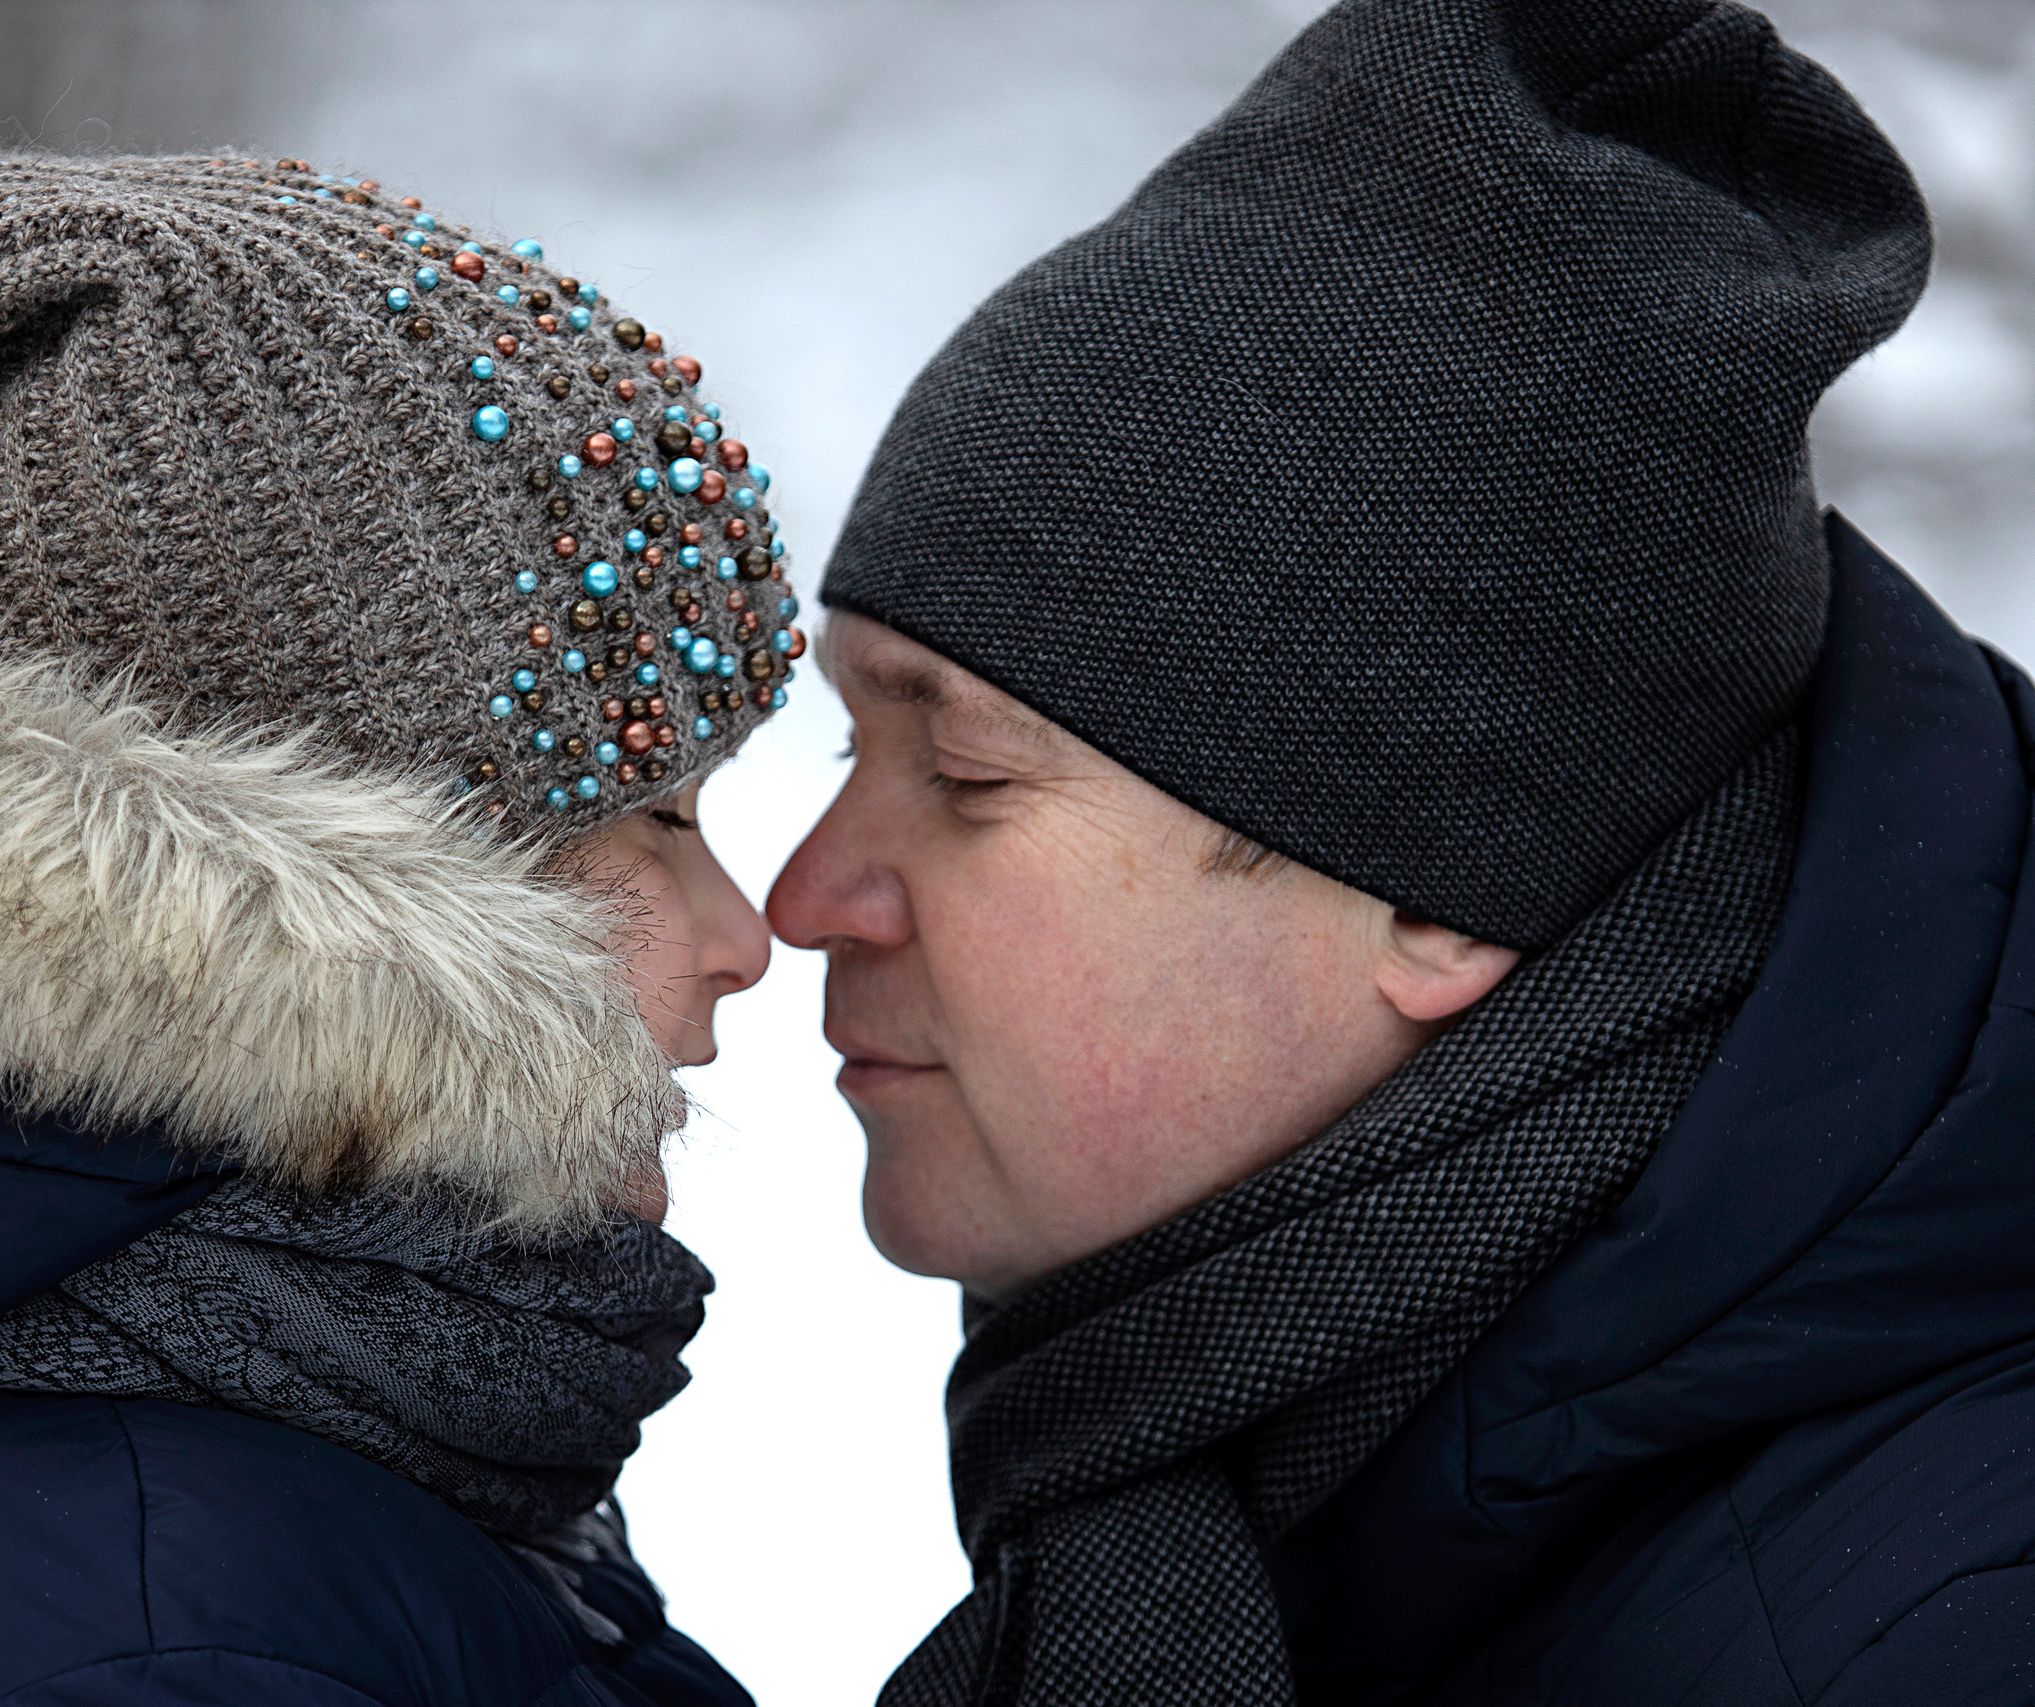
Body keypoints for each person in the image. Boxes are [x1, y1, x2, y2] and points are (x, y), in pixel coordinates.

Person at [768, 1, 2035, 1703]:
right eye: (854, 741)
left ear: (1443, 894)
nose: (802, 899)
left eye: (970, 777)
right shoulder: (1273, 1429)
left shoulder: (1918, 1634)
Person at [0, 145, 797, 1706]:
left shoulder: (295, 1414)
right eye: (658, 821)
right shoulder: (145, 1627)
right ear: (331, 885)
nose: (749, 936)